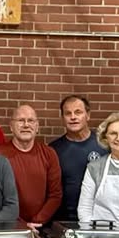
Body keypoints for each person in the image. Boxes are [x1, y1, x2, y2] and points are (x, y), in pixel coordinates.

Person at [0, 104, 62, 238]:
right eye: (21, 120)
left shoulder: (49, 153)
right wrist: (21, 224)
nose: (26, 125)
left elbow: (55, 194)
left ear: (37, 126)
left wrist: (35, 223)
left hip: (39, 232)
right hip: (8, 231)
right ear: (11, 126)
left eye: (31, 120)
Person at [49, 95, 107, 224]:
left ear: (88, 115)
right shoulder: (54, 149)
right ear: (62, 118)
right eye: (68, 113)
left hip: (98, 219)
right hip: (64, 220)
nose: (73, 117)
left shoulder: (104, 144)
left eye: (78, 112)